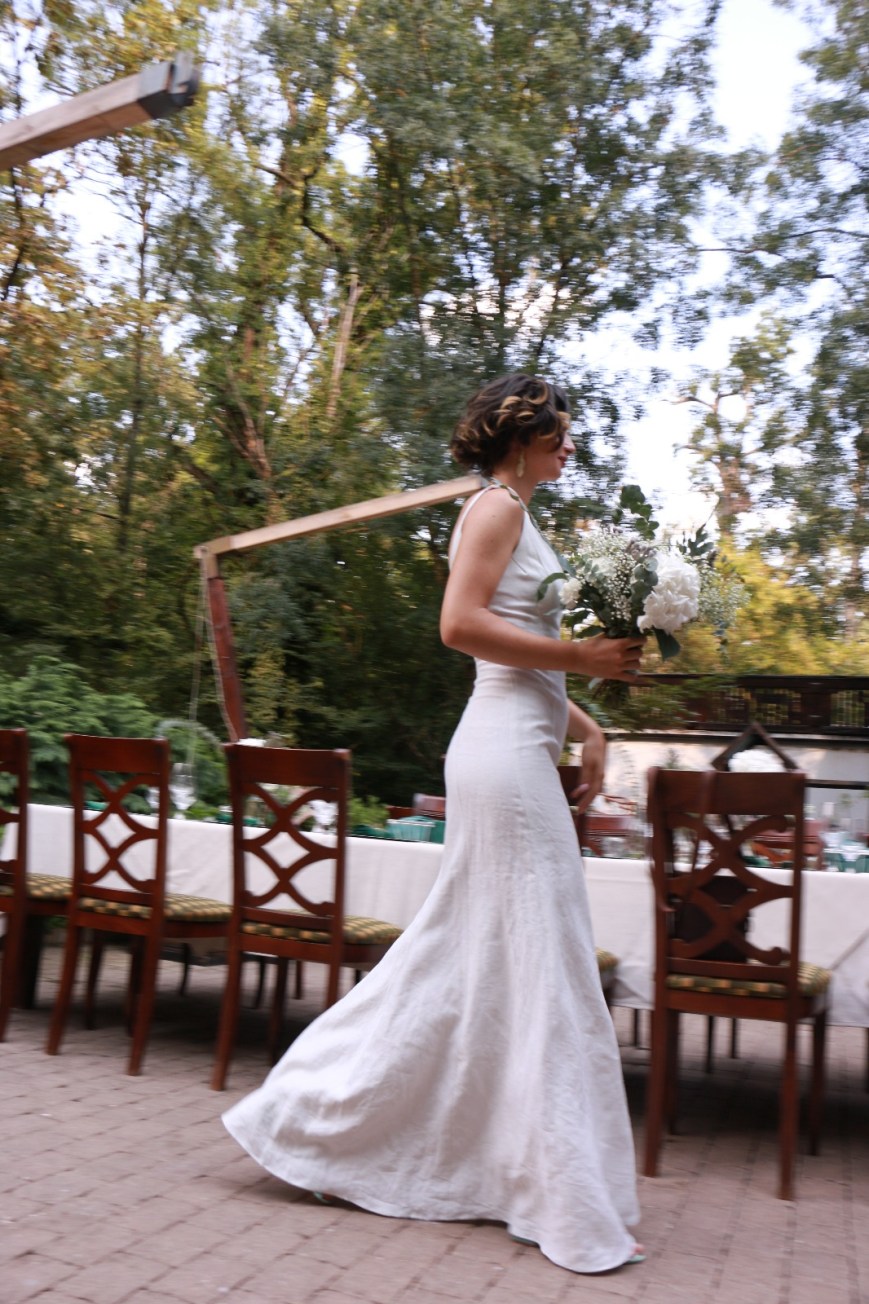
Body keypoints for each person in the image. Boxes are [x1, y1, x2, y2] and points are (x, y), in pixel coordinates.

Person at [222, 373, 645, 1274]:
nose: (570, 448)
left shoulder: (516, 515)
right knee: (541, 956)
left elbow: (520, 663)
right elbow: (459, 627)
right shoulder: (494, 509)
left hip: (518, 744)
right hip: (502, 759)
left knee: (491, 957)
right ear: (520, 439)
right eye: (559, 435)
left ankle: (489, 1161)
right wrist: (581, 655)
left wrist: (588, 724)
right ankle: (523, 1179)